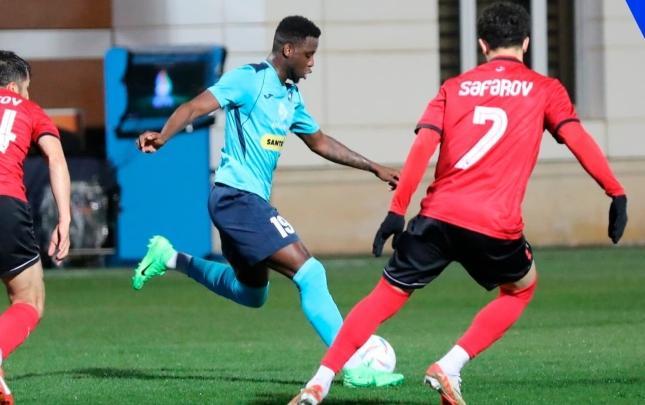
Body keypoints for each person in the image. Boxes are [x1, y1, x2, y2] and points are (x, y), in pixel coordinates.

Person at [289, 2, 629, 404]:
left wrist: (397, 210)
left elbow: (423, 147)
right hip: (494, 224)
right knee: (521, 288)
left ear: (482, 44)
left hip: (437, 216)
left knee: (385, 295)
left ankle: (321, 380)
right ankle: (449, 366)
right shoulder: (545, 89)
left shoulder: (454, 88)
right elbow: (577, 139)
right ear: (526, 42)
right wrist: (615, 191)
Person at [132, 16, 403, 386]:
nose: (312, 63)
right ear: (288, 50)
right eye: (308, 54)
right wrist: (164, 135)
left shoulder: (291, 97)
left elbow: (320, 142)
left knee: (251, 293)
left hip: (243, 202)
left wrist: (373, 167)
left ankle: (170, 257)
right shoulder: (250, 79)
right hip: (236, 198)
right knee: (311, 273)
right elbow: (195, 106)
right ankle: (353, 364)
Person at [0, 51, 71, 405]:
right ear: (15, 87)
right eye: (27, 88)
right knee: (29, 299)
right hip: (5, 203)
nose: (28, 94)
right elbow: (55, 158)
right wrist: (65, 219)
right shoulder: (28, 110)